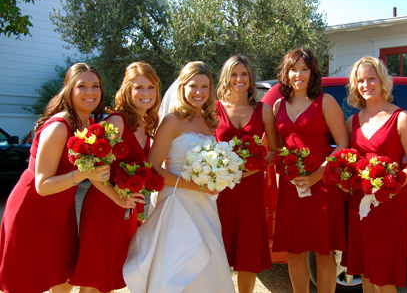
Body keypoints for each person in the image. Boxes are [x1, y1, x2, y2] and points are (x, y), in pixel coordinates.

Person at [123, 61, 235, 293]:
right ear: (182, 87)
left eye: (205, 87)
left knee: (210, 257)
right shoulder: (172, 121)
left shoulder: (209, 122)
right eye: (193, 85)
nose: (199, 92)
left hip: (205, 204)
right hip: (177, 202)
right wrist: (195, 186)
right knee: (178, 262)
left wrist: (219, 176)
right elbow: (152, 166)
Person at [0, 63, 109, 293]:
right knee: (28, 282)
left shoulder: (89, 124)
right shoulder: (59, 127)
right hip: (32, 210)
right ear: (69, 90)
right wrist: (85, 173)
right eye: (82, 86)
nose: (90, 92)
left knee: (63, 280)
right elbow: (42, 185)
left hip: (61, 211)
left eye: (95, 85)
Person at [70, 62, 161, 292]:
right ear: (127, 91)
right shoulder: (117, 122)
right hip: (104, 205)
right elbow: (93, 171)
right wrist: (117, 198)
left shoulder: (146, 123)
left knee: (110, 276)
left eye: (150, 88)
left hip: (125, 208)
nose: (146, 93)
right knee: (94, 276)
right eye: (139, 87)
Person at [273, 48, 349, 293]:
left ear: (312, 72)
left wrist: (317, 175)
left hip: (323, 186)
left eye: (304, 69)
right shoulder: (277, 105)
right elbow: (276, 149)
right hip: (292, 188)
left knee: (323, 253)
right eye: (293, 69)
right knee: (294, 253)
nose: (299, 74)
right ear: (286, 73)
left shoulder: (325, 101)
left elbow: (343, 145)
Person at [344, 56, 407, 293]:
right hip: (361, 203)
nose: (366, 85)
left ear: (382, 80)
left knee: (384, 275)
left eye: (371, 79)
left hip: (389, 204)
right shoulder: (352, 121)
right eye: (361, 81)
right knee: (366, 270)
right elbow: (348, 161)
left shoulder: (402, 117)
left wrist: (389, 185)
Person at [215, 55, 279, 293]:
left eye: (244, 74)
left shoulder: (263, 111)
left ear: (251, 77)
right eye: (234, 74)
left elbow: (275, 151)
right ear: (226, 77)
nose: (239, 79)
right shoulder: (214, 108)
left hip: (251, 191)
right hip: (221, 191)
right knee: (218, 251)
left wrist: (257, 167)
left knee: (247, 254)